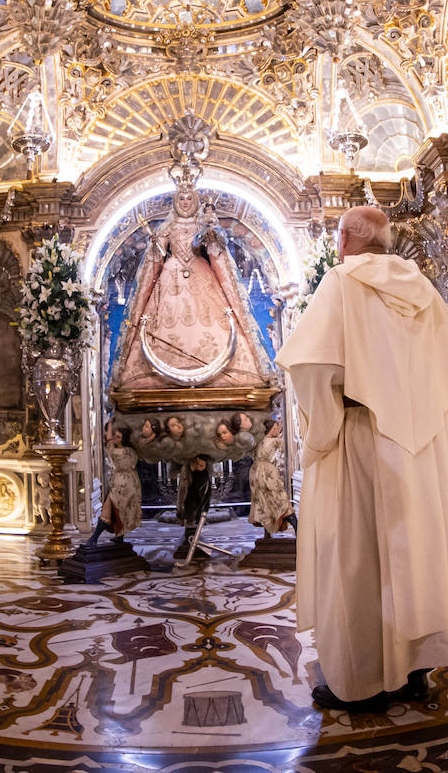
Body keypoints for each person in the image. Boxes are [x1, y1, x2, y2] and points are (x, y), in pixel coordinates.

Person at [276, 206, 448, 713]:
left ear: (344, 240)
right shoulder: (424, 289)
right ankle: (414, 672)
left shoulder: (341, 283)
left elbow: (312, 365)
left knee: (359, 558)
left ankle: (361, 681)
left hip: (361, 440)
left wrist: (321, 426)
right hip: (419, 446)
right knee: (415, 557)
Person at [111, 184, 272, 391]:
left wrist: (211, 231)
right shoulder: (167, 227)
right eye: (181, 199)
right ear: (176, 203)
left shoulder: (202, 223)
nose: (185, 203)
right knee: (167, 316)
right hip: (171, 275)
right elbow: (157, 255)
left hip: (200, 271)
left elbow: (214, 250)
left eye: (189, 199)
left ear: (195, 202)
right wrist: (155, 246)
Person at [87, 424, 143, 546]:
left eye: (118, 437)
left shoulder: (119, 452)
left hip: (124, 484)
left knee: (111, 507)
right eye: (115, 436)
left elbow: (108, 440)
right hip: (128, 482)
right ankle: (117, 537)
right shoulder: (131, 451)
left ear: (123, 439)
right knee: (117, 510)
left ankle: (94, 538)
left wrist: (111, 422)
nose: (115, 439)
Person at [248, 417, 296, 536]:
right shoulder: (274, 441)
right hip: (266, 472)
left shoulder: (258, 441)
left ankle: (268, 532)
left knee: (265, 501)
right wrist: (279, 434)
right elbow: (283, 445)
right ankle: (295, 527)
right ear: (270, 429)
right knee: (278, 498)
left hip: (256, 472)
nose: (276, 430)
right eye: (275, 428)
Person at [175, 454, 213, 555]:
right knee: (190, 510)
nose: (199, 467)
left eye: (202, 465)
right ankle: (190, 531)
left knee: (196, 512)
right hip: (190, 502)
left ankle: (194, 532)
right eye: (198, 465)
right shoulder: (189, 474)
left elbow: (205, 494)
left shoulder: (204, 475)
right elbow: (184, 492)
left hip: (198, 503)